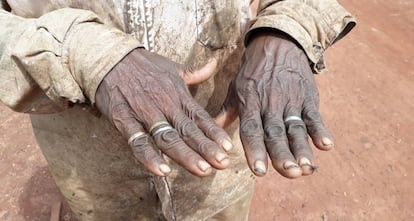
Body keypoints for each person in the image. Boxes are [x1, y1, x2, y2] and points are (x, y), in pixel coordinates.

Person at [0, 0, 355, 220]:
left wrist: (287, 29)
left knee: (221, 208)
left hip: (221, 138)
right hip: (89, 154)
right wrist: (84, 53)